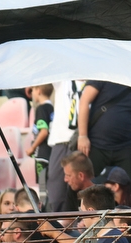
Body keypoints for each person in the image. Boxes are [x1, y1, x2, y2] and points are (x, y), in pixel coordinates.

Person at [77, 58, 131, 180]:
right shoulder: (108, 76)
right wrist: (82, 136)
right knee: (91, 188)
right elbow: (84, 101)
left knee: (128, 190)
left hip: (124, 148)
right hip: (96, 145)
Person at [46, 79, 86, 212]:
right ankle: (57, 222)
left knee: (81, 184)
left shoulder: (95, 81)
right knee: (57, 186)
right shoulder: (63, 80)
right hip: (61, 139)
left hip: (83, 140)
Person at [25, 83, 53, 188]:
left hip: (42, 155)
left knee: (43, 186)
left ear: (39, 91)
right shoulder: (52, 108)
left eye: (32, 90)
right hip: (51, 153)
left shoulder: (41, 109)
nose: (32, 93)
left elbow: (44, 131)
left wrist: (32, 148)